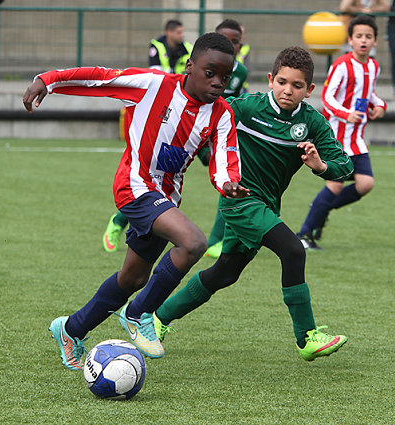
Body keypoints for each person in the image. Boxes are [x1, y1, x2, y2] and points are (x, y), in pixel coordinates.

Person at [23, 32, 250, 368]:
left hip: (166, 197)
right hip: (135, 185)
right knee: (193, 243)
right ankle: (139, 312)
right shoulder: (154, 85)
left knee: (133, 278)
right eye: (210, 72)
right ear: (190, 66)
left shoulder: (221, 114)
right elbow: (102, 79)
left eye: (225, 77)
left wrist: (228, 183)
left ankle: (72, 329)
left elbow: (225, 160)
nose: (218, 82)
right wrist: (48, 80)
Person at [151, 46, 353, 362]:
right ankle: (307, 338)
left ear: (309, 90)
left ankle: (158, 318)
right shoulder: (245, 108)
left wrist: (320, 166)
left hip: (267, 206)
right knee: (293, 250)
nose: (288, 90)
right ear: (271, 79)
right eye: (282, 82)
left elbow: (344, 164)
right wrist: (208, 160)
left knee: (224, 274)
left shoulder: (312, 122)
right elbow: (206, 122)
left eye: (297, 86)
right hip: (239, 202)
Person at [104, 19, 195, 254]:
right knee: (148, 178)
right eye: (178, 31)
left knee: (159, 181)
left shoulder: (188, 51)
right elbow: (157, 74)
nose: (182, 35)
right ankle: (119, 223)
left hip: (182, 115)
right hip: (161, 110)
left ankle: (126, 224)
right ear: (168, 32)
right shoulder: (157, 46)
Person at [298, 15, 386, 249]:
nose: (363, 41)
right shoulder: (342, 65)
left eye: (368, 37)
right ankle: (304, 234)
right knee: (335, 185)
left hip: (356, 139)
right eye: (359, 36)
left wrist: (379, 105)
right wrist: (346, 113)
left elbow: (370, 93)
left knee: (365, 184)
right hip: (336, 137)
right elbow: (327, 98)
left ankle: (322, 208)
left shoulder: (374, 66)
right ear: (350, 40)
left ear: (375, 41)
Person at [204, 18, 248, 259]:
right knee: (162, 175)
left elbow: (233, 102)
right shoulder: (200, 63)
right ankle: (120, 220)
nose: (232, 46)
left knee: (231, 179)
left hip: (218, 133)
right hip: (192, 129)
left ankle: (215, 241)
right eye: (226, 41)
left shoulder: (240, 72)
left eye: (236, 42)